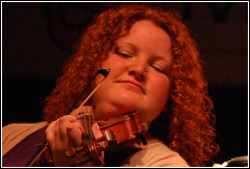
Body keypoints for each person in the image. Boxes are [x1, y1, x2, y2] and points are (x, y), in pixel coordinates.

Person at [2, 3, 219, 167]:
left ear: (171, 97)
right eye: (125, 54)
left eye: (159, 67)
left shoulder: (164, 164)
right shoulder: (11, 135)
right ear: (93, 62)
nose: (139, 69)